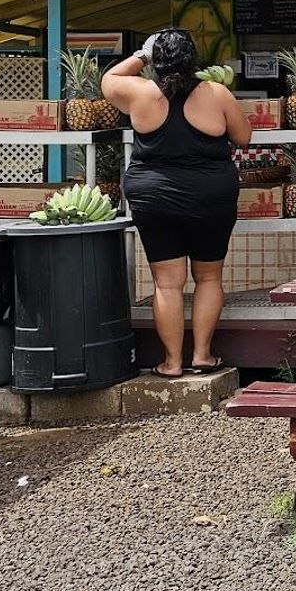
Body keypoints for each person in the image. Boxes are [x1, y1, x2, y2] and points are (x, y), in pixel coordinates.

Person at [104, 30, 249, 377]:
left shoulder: (139, 92)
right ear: (193, 59)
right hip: (210, 194)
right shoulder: (216, 93)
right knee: (209, 277)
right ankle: (202, 355)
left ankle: (171, 362)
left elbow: (109, 79)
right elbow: (243, 136)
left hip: (154, 196)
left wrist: (143, 54)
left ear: (157, 61)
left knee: (167, 283)